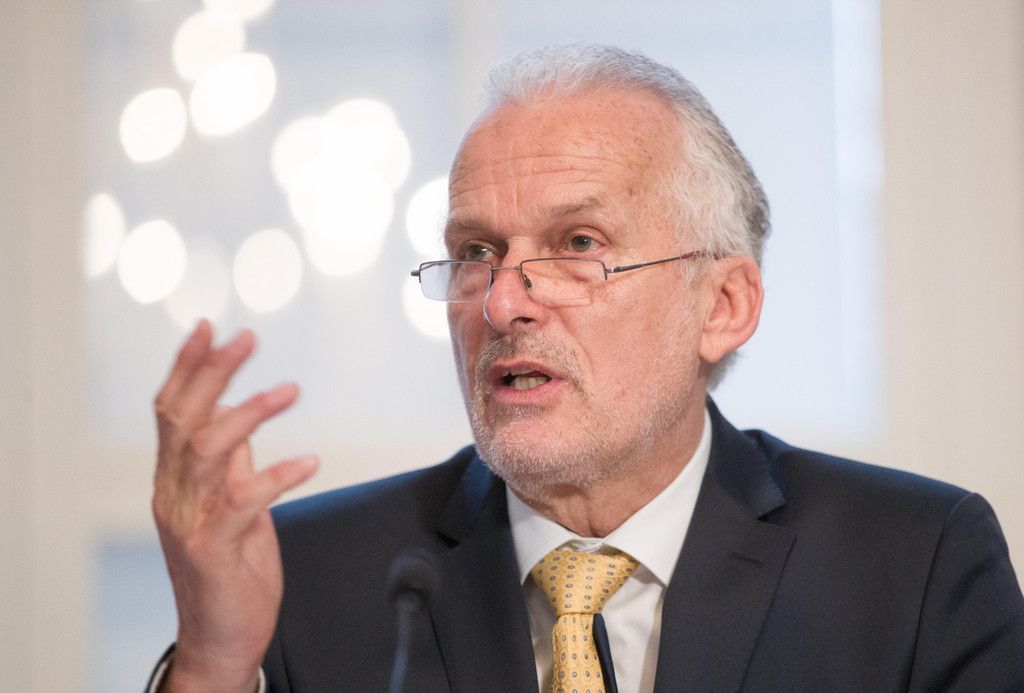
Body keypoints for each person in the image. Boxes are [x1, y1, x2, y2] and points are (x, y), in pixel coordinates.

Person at [148, 45, 1024, 692]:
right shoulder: (303, 577)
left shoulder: (913, 566)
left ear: (722, 305)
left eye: (577, 244)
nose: (503, 302)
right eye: (476, 251)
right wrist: (214, 667)